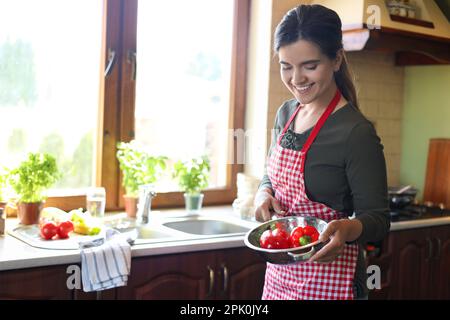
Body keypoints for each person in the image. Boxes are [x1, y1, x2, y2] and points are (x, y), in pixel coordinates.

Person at [254, 4, 390, 300]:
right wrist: (263, 194)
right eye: (286, 66)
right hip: (280, 279)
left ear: (337, 59)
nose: (296, 79)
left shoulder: (356, 132)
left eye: (310, 66)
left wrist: (348, 229)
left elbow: (378, 219)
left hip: (332, 282)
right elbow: (271, 175)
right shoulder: (286, 113)